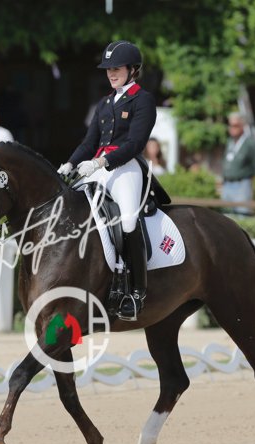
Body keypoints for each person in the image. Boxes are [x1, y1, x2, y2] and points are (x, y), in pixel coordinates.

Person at [57, 40, 156, 321]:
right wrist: (69, 164)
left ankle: (136, 292)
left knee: (128, 221)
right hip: (95, 168)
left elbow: (135, 143)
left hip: (125, 168)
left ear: (133, 69)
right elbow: (89, 143)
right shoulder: (104, 103)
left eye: (117, 68)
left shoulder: (142, 100)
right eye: (108, 69)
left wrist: (102, 162)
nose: (111, 73)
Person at [221, 111, 255, 216]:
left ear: (242, 126)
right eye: (230, 125)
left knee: (242, 215)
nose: (232, 128)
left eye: (235, 126)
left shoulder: (249, 143)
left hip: (242, 184)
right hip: (227, 184)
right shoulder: (230, 141)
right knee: (226, 216)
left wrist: (248, 177)